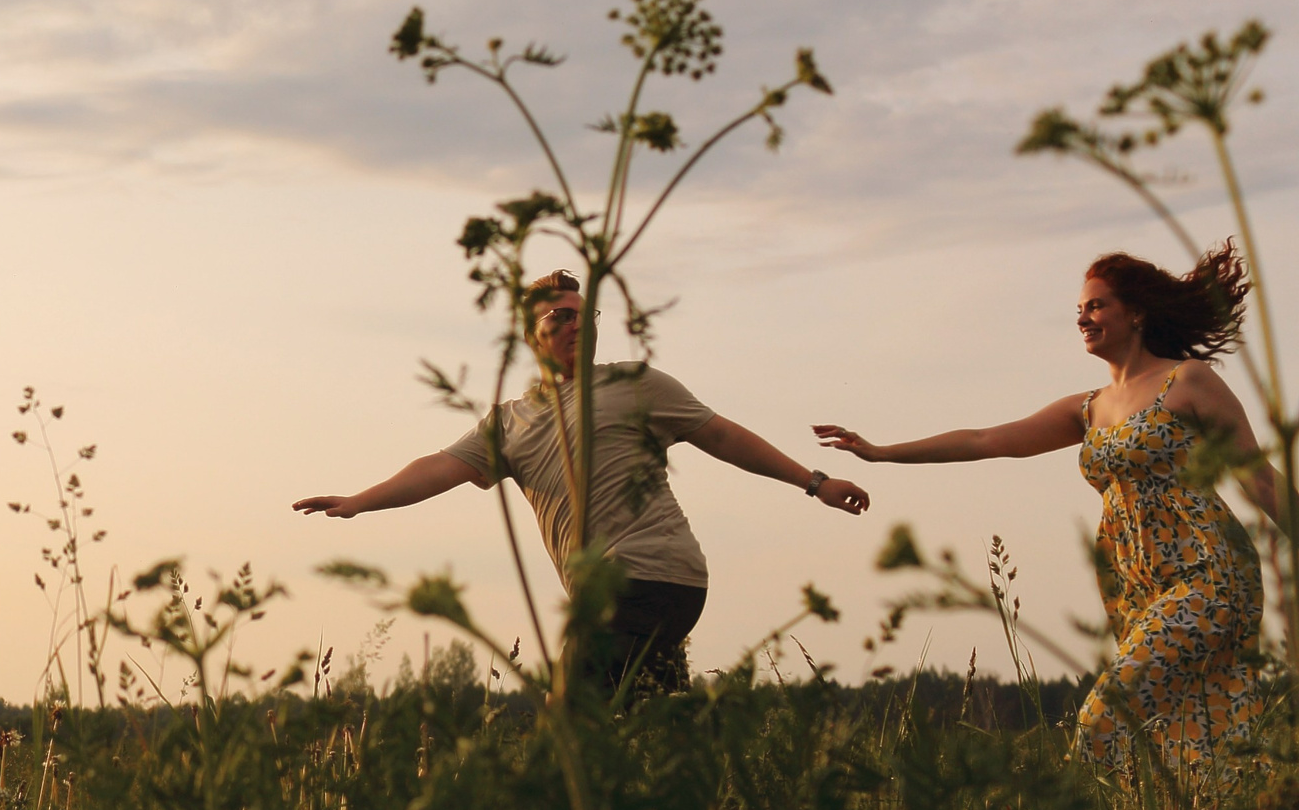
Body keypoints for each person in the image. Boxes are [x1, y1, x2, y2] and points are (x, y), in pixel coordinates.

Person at [814, 242, 1273, 778]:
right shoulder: (1089, 408)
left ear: (1137, 313)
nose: (1083, 317)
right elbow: (986, 439)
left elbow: (1260, 478)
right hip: (1140, 587)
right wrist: (882, 451)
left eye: (1097, 306)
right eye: (1080, 308)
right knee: (1186, 734)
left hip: (1208, 576)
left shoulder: (1188, 381)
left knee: (1104, 717)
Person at [296, 270, 871, 698]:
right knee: (648, 721)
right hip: (605, 593)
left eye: (584, 315)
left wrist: (813, 480)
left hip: (652, 575)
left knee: (571, 718)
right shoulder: (509, 422)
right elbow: (441, 468)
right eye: (559, 317)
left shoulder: (636, 384)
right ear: (532, 336)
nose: (575, 324)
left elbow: (720, 436)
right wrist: (360, 502)